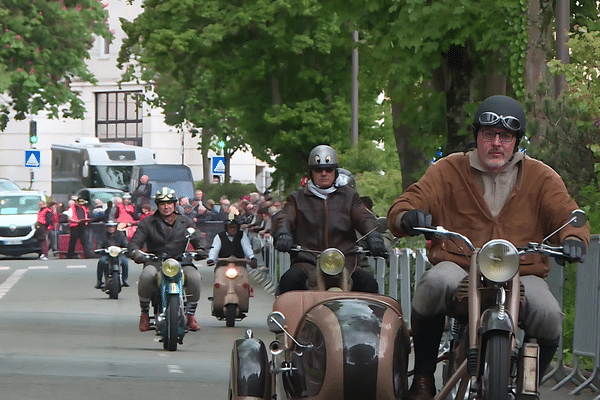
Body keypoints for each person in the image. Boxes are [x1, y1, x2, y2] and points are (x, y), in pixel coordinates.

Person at [387, 95, 590, 400]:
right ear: (477, 137)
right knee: (432, 284)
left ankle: (528, 383)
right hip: (459, 263)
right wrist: (408, 216)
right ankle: (424, 377)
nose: (497, 143)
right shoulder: (447, 170)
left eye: (506, 136)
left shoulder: (541, 176)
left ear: (516, 141)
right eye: (488, 135)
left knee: (549, 315)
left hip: (520, 268)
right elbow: (406, 203)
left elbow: (568, 215)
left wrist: (574, 239)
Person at [272, 144, 388, 294]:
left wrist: (373, 235)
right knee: (288, 281)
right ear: (311, 173)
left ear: (336, 172)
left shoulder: (349, 196)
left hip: (345, 263)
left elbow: (363, 216)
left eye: (329, 169)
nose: (324, 173)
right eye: (318, 170)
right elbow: (285, 217)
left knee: (369, 284)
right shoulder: (297, 198)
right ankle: (283, 318)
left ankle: (370, 318)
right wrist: (283, 233)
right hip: (308, 263)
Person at [128, 187, 206, 332]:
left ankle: (190, 315)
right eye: (162, 203)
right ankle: (144, 314)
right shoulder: (147, 222)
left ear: (175, 204)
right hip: (156, 261)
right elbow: (135, 242)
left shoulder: (186, 221)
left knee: (194, 277)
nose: (166, 206)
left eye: (169, 203)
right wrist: (135, 252)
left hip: (181, 261)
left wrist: (201, 250)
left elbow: (197, 238)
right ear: (157, 205)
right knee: (147, 276)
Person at [95, 220, 129, 289]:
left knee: (125, 262)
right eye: (109, 227)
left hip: (118, 254)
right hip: (107, 254)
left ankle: (125, 280)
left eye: (112, 226)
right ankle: (99, 281)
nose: (110, 228)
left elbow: (125, 244)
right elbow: (99, 245)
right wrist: (100, 249)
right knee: (101, 261)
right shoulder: (103, 235)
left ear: (115, 227)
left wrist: (125, 248)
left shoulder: (120, 234)